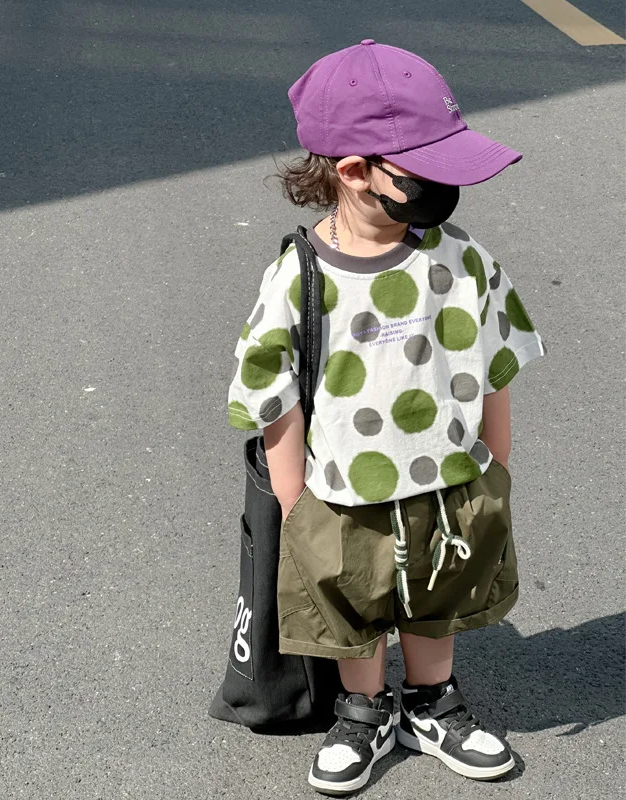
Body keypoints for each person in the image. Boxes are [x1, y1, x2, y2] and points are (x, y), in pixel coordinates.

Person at [227, 40, 545, 796]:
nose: (444, 189)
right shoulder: (300, 276)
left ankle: (433, 701)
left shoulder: (461, 260)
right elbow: (274, 392)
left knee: (436, 595)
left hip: (449, 475)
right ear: (353, 172)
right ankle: (363, 711)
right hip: (341, 490)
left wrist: (495, 466)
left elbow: (494, 361)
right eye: (424, 173)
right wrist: (297, 504)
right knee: (356, 601)